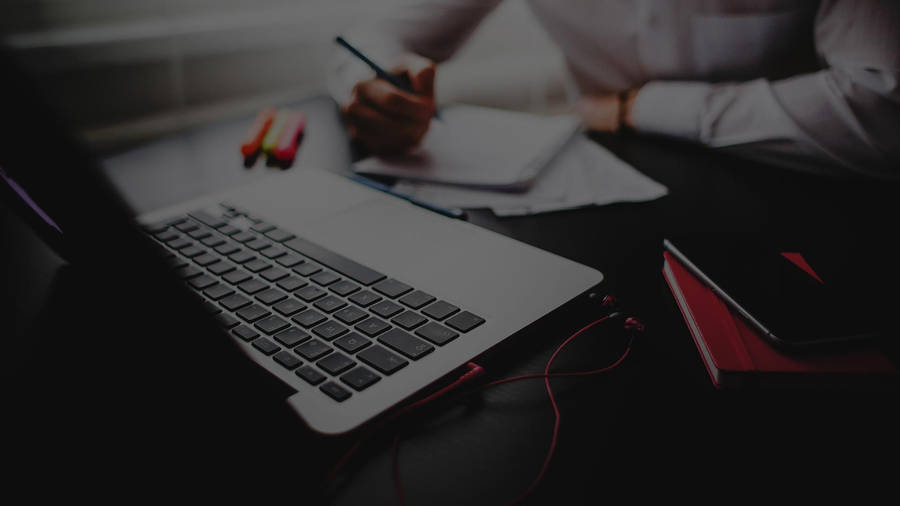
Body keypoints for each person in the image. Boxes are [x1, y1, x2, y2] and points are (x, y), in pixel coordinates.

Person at [331, 0, 900, 178]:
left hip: (800, 198)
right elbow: (374, 32)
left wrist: (641, 107)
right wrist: (374, 87)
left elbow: (884, 106)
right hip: (602, 201)